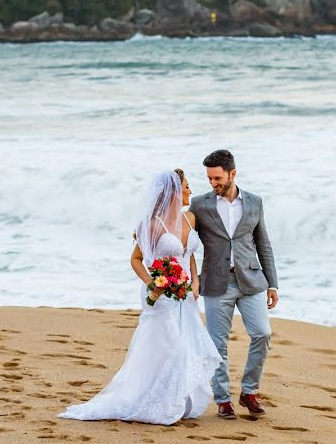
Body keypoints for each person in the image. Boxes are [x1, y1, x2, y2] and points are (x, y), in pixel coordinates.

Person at [59, 169, 221, 425]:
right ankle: (160, 404)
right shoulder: (152, 225)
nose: (191, 191)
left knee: (188, 347)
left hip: (186, 295)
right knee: (172, 349)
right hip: (161, 296)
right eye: (187, 187)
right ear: (175, 192)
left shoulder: (190, 219)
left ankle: (177, 402)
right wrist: (152, 284)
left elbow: (188, 253)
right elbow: (136, 259)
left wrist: (196, 280)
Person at [189, 149, 279, 418]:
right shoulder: (199, 204)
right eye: (209, 178)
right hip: (216, 282)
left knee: (262, 333)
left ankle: (249, 392)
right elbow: (185, 241)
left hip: (251, 280)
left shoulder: (254, 202)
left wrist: (272, 284)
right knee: (218, 344)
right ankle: (223, 399)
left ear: (232, 174)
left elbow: (263, 243)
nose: (213, 183)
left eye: (217, 178)